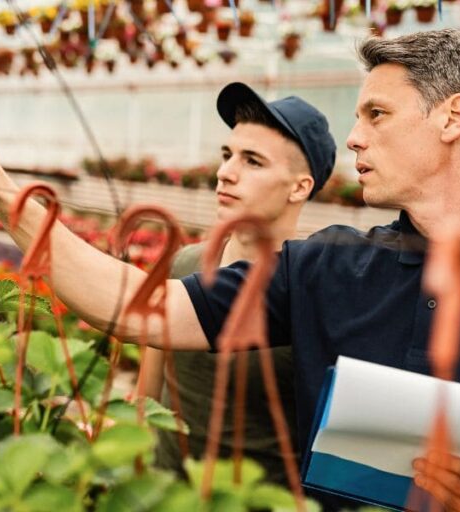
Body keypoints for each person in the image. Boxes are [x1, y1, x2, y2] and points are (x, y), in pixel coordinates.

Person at [0, 29, 460, 511]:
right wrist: (7, 195)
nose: (354, 138)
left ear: (453, 118)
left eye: (375, 115)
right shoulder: (328, 267)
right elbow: (141, 308)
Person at [139, 83, 337, 485]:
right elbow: (145, 394)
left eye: (253, 161)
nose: (225, 173)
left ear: (299, 187)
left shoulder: (316, 294)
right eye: (227, 155)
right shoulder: (183, 264)